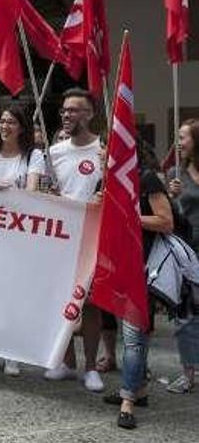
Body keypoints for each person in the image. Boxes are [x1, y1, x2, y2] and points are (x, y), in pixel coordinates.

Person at [101, 140, 173, 429]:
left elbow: (165, 221)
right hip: (118, 266)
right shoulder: (109, 181)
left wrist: (129, 217)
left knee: (133, 338)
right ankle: (139, 388)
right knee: (133, 335)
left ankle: (128, 400)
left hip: (143, 269)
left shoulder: (146, 178)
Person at [0, 105, 45, 376]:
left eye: (12, 122)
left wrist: (11, 192)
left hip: (19, 236)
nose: (5, 126)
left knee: (14, 293)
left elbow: (32, 192)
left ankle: (12, 351)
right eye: (2, 121)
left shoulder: (33, 156)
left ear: (22, 127)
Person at [45, 88, 105, 392]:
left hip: (93, 239)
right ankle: (67, 362)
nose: (67, 115)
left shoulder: (104, 151)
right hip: (61, 239)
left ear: (90, 114)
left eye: (74, 110)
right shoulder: (54, 153)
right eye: (64, 110)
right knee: (61, 301)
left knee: (91, 305)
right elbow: (45, 193)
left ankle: (91, 367)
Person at [165, 118, 199, 394]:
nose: (178, 142)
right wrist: (171, 195)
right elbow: (170, 217)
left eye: (183, 137)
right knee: (185, 316)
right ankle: (189, 373)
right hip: (187, 254)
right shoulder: (175, 173)